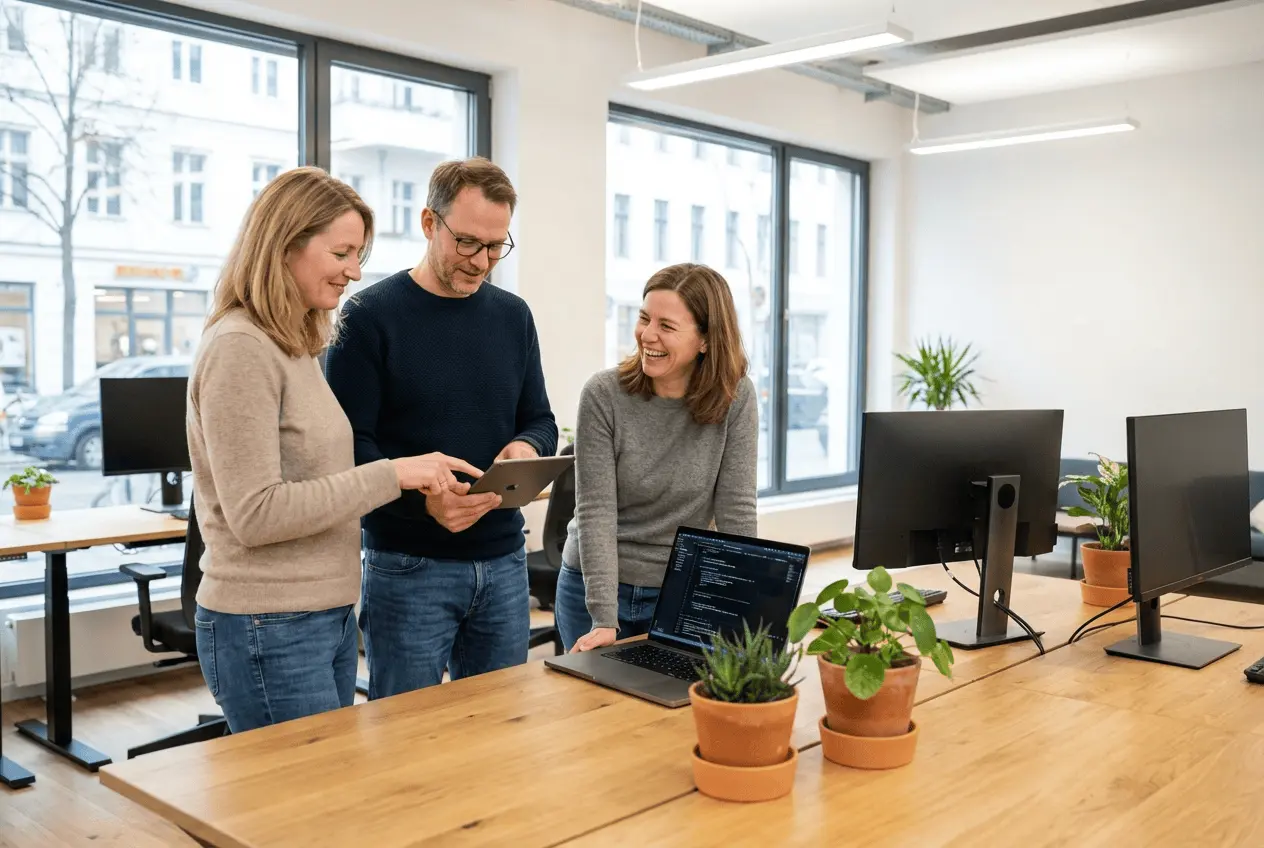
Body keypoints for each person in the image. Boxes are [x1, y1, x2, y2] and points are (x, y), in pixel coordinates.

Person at [188, 166, 481, 733]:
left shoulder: (292, 344)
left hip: (321, 611)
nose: (355, 271)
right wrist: (392, 475)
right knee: (299, 811)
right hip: (266, 620)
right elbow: (256, 514)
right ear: (285, 246)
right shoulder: (240, 349)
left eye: (359, 254)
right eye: (342, 252)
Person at [326, 157, 556, 699]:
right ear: (429, 223)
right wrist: (420, 504)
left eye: (496, 246)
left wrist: (527, 446)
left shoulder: (513, 316)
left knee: (497, 727)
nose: (482, 262)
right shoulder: (367, 317)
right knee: (405, 735)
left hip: (503, 562)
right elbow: (350, 448)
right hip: (408, 566)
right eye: (468, 242)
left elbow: (541, 419)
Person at [556, 263, 758, 654]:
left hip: (681, 589)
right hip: (594, 586)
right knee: (594, 713)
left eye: (666, 326)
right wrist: (603, 617)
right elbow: (596, 511)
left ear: (705, 340)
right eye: (645, 318)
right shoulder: (603, 394)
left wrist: (740, 606)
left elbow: (737, 508)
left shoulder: (736, 396)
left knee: (673, 709)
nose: (647, 335)